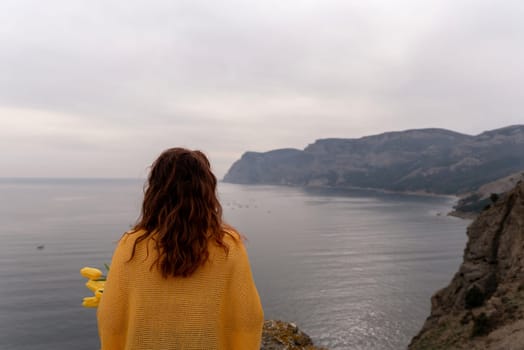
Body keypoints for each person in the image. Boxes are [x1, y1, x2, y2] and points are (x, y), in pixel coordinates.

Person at [97, 148, 264, 349]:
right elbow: (248, 317)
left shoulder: (131, 245)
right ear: (206, 191)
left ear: (155, 191)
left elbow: (111, 318)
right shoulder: (229, 246)